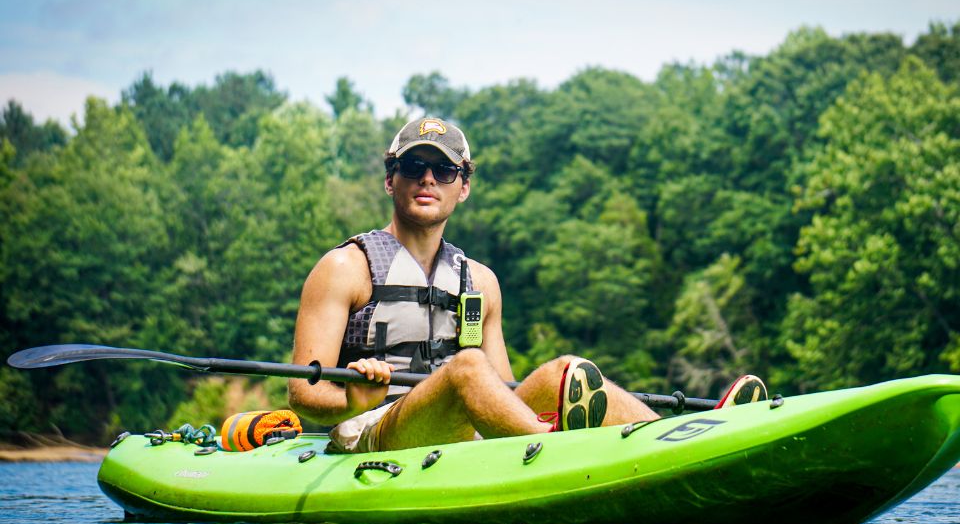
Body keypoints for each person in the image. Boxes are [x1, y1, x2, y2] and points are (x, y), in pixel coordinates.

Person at [288, 117, 766, 453]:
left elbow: (502, 388)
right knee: (467, 367)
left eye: (444, 170)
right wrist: (352, 397)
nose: (428, 178)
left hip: (460, 430)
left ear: (464, 185)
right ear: (391, 181)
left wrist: (532, 396)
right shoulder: (345, 268)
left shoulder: (480, 282)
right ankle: (565, 451)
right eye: (413, 168)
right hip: (375, 428)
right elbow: (302, 394)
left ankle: (687, 443)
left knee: (568, 369)